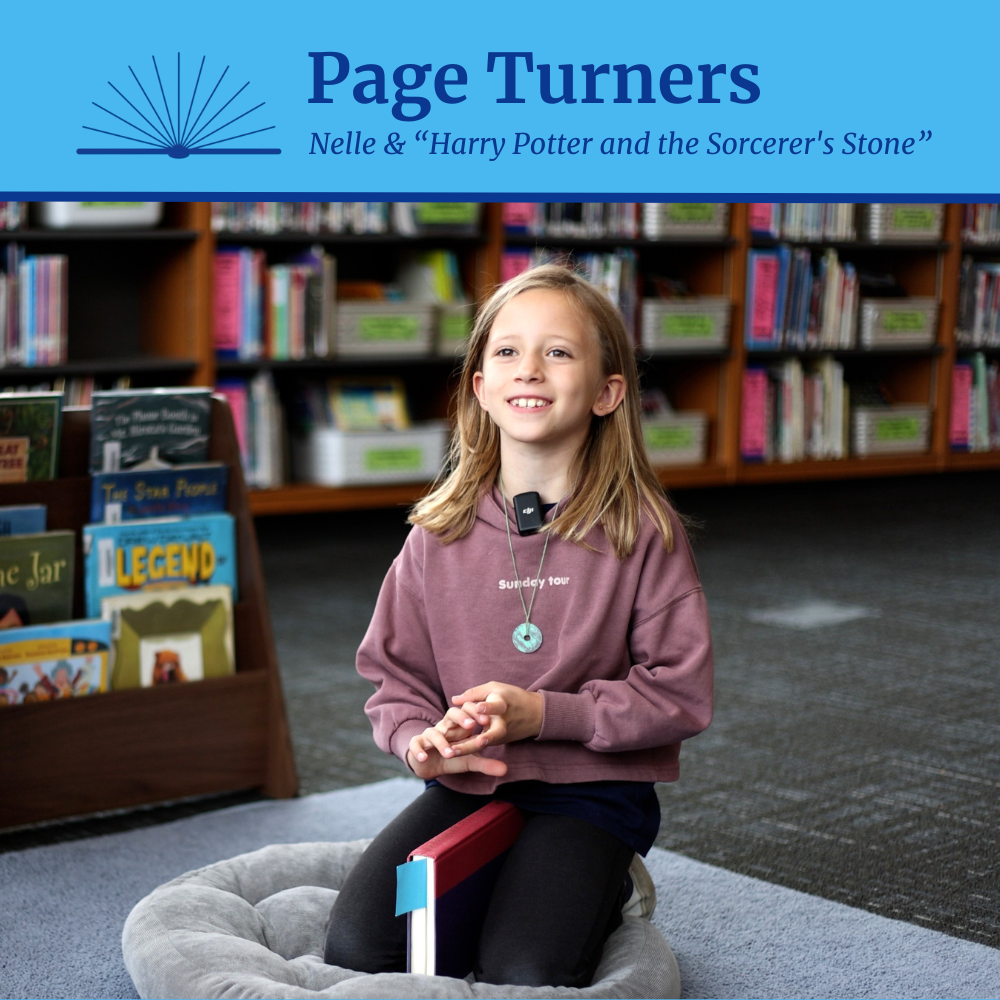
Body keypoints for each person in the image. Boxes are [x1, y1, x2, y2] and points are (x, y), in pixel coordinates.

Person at [324, 264, 713, 987]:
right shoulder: (435, 534)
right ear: (479, 386)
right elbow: (394, 678)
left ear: (607, 392)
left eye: (558, 352)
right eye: (506, 351)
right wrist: (421, 744)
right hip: (473, 786)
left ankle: (613, 885)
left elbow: (680, 695)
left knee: (524, 969)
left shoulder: (644, 530)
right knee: (357, 948)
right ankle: (511, 877)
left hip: (594, 791)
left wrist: (544, 714)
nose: (528, 368)